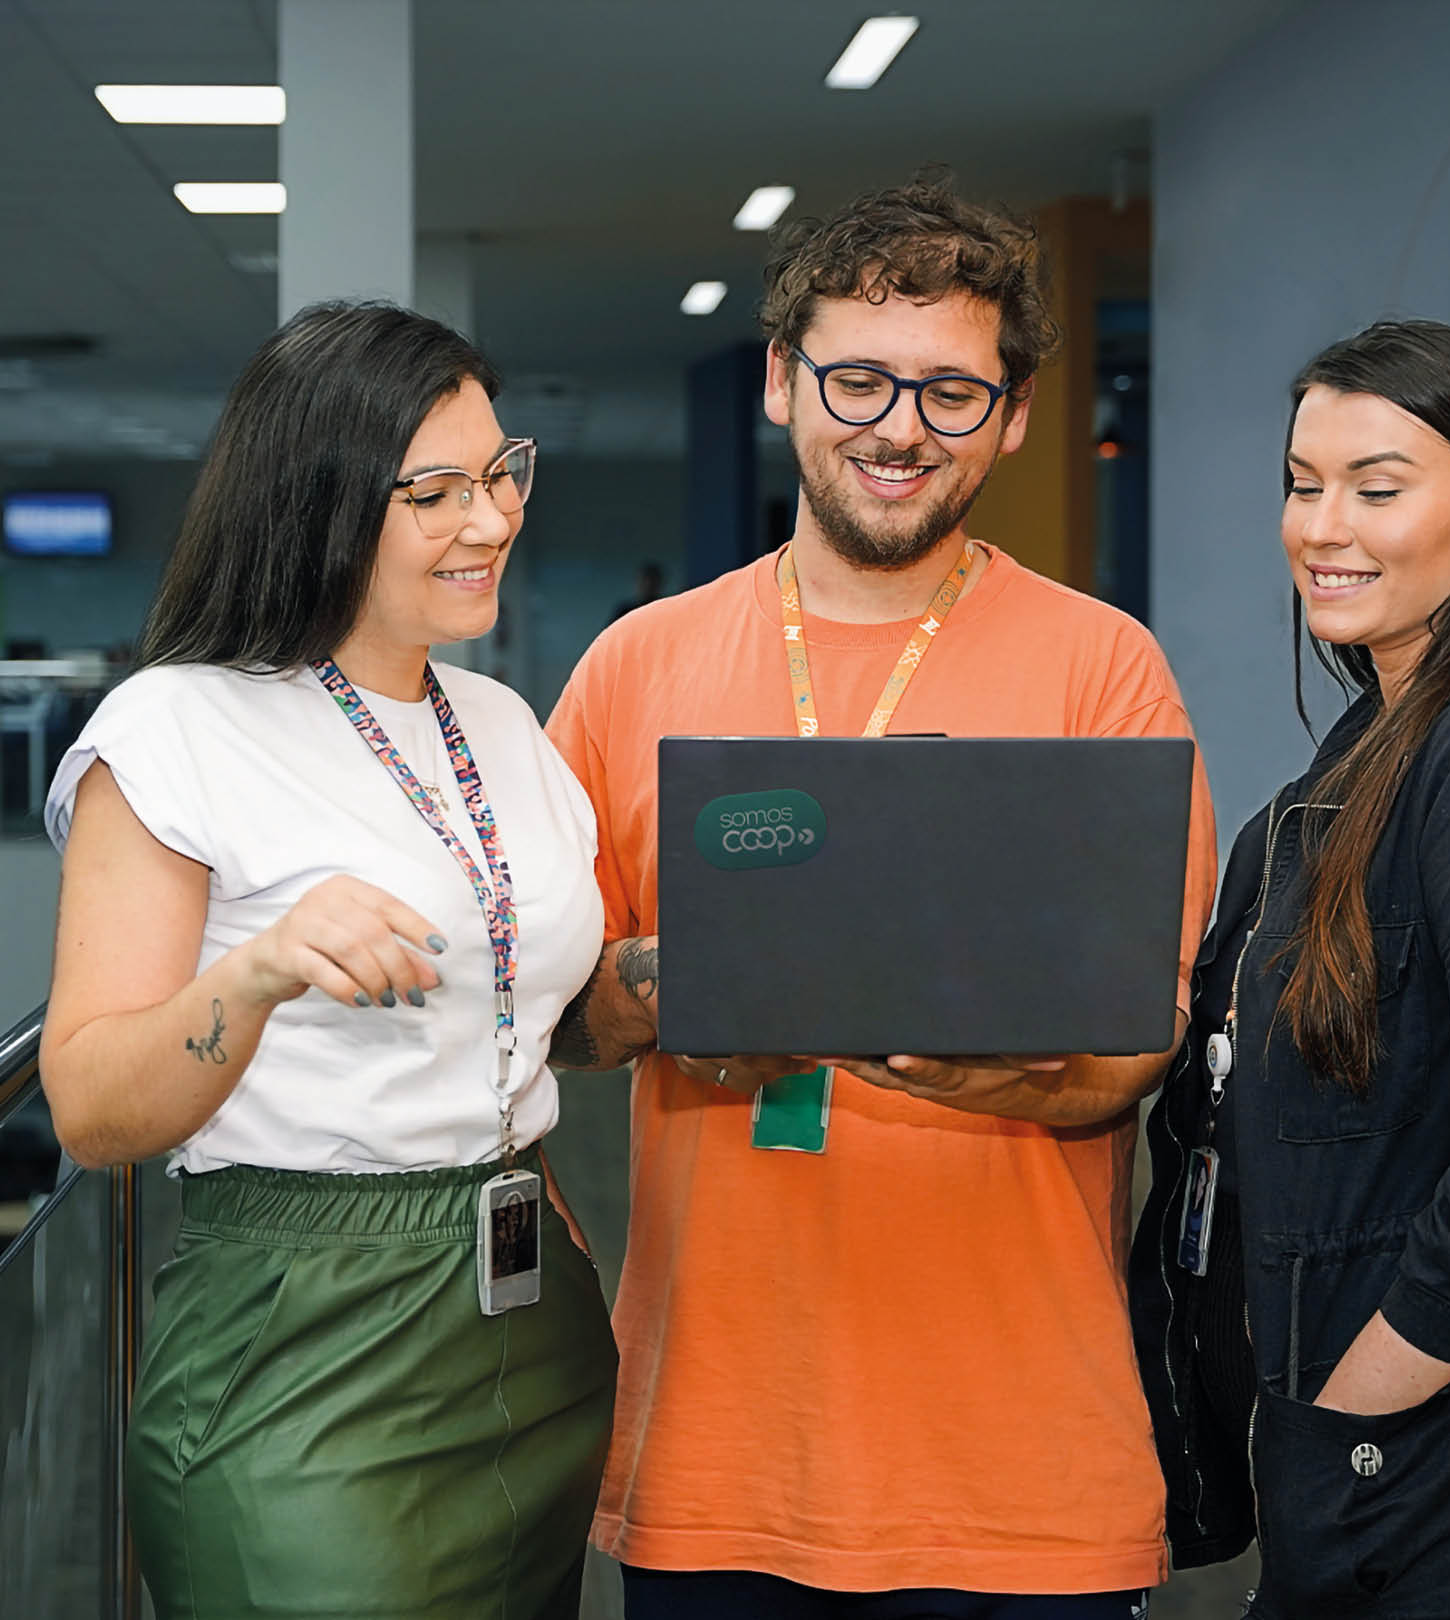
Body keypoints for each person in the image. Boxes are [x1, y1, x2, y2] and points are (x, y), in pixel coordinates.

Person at [545, 174, 1218, 1617]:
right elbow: (552, 1021)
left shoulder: (1104, 671)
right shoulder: (634, 668)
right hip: (720, 1467)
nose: (900, 427)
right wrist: (683, 990)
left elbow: (1137, 1046)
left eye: (952, 393)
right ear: (783, 384)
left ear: (1017, 414)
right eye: (857, 378)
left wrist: (989, 1075)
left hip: (1023, 1477)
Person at [38, 302, 618, 1620]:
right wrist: (255, 975)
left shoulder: (504, 723)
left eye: (499, 472)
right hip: (306, 1340)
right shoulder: (177, 727)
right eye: (436, 492)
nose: (490, 520)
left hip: (529, 1314)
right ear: (321, 500)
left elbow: (535, 1005)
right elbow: (90, 1106)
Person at [1131, 319, 1450, 1620]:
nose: (1322, 525)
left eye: (1377, 486)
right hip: (1352, 1473)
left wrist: (1357, 1389)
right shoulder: (1358, 768)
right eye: (1303, 485)